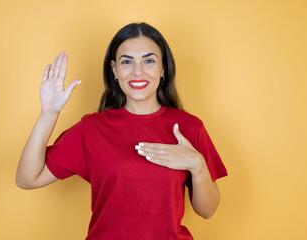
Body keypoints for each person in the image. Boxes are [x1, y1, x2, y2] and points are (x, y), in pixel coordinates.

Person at [16, 22, 228, 240]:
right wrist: (49, 114)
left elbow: (208, 211)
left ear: (163, 68)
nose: (138, 71)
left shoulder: (189, 128)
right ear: (115, 70)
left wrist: (198, 165)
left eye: (149, 61)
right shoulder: (92, 129)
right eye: (127, 62)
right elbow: (27, 179)